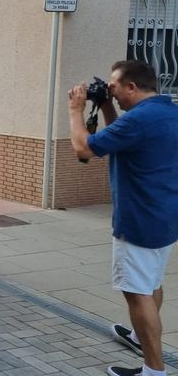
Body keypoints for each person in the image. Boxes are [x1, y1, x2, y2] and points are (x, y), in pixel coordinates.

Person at [68, 60, 178, 376]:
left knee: (137, 293)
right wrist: (104, 106)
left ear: (132, 87)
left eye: (115, 88)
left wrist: (76, 109)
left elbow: (83, 149)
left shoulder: (139, 120)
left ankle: (154, 370)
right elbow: (118, 138)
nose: (112, 92)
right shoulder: (168, 112)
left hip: (139, 221)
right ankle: (142, 338)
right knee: (152, 283)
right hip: (165, 219)